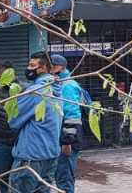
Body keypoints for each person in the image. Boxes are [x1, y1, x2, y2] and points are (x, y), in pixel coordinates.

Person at [9, 52, 63, 193]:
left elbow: (13, 121)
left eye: (32, 65)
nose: (28, 68)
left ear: (44, 67)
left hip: (30, 158)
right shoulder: (56, 89)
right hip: (50, 156)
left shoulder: (36, 91)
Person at [50, 54, 85, 193]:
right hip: (65, 138)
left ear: (59, 67)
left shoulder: (67, 85)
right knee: (62, 176)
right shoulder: (61, 82)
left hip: (68, 140)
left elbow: (72, 115)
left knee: (64, 178)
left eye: (50, 65)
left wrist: (67, 141)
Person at [0, 60, 19, 193]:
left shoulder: (24, 90)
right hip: (0, 142)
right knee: (2, 177)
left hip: (20, 142)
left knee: (20, 177)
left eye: (1, 76)